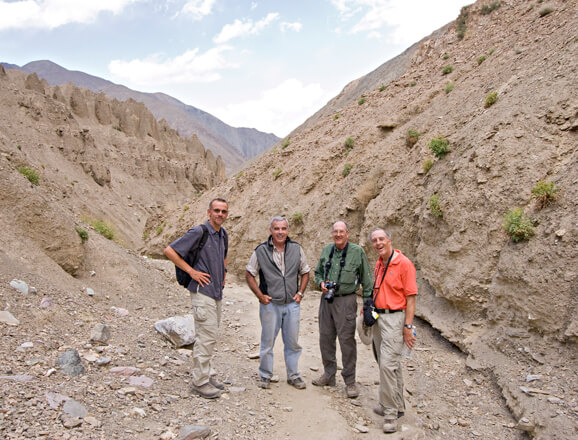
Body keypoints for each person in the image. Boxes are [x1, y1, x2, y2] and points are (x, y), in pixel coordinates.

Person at [163, 198, 229, 399]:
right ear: (208, 212)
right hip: (203, 293)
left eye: (223, 211)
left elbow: (224, 256)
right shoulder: (199, 232)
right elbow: (169, 250)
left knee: (210, 334)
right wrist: (191, 271)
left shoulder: (223, 234)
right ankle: (199, 382)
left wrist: (223, 274)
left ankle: (207, 375)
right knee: (206, 336)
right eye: (216, 210)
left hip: (216, 292)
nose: (220, 214)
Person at [245, 216, 310, 390]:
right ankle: (265, 375)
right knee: (267, 342)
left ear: (288, 230)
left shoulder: (296, 249)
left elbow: (305, 272)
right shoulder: (260, 251)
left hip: (292, 304)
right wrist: (260, 296)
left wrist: (300, 293)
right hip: (270, 305)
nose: (280, 232)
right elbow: (249, 274)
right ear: (270, 231)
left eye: (283, 229)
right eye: (276, 229)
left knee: (292, 342)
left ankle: (293, 375)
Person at [312, 221, 373, 398]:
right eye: (335, 231)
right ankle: (329, 374)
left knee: (346, 340)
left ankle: (350, 381)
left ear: (348, 233)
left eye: (341, 231)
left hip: (347, 300)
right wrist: (321, 283)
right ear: (332, 233)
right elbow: (317, 273)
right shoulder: (326, 250)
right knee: (325, 337)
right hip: (326, 300)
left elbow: (366, 279)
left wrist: (368, 304)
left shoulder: (357, 252)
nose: (338, 234)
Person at [369, 228, 417, 434]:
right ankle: (397, 406)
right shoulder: (380, 262)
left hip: (395, 318)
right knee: (389, 363)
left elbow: (411, 297)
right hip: (379, 317)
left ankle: (389, 413)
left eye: (381, 239)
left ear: (390, 239)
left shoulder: (404, 263)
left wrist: (407, 326)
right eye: (374, 240)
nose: (378, 243)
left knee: (387, 366)